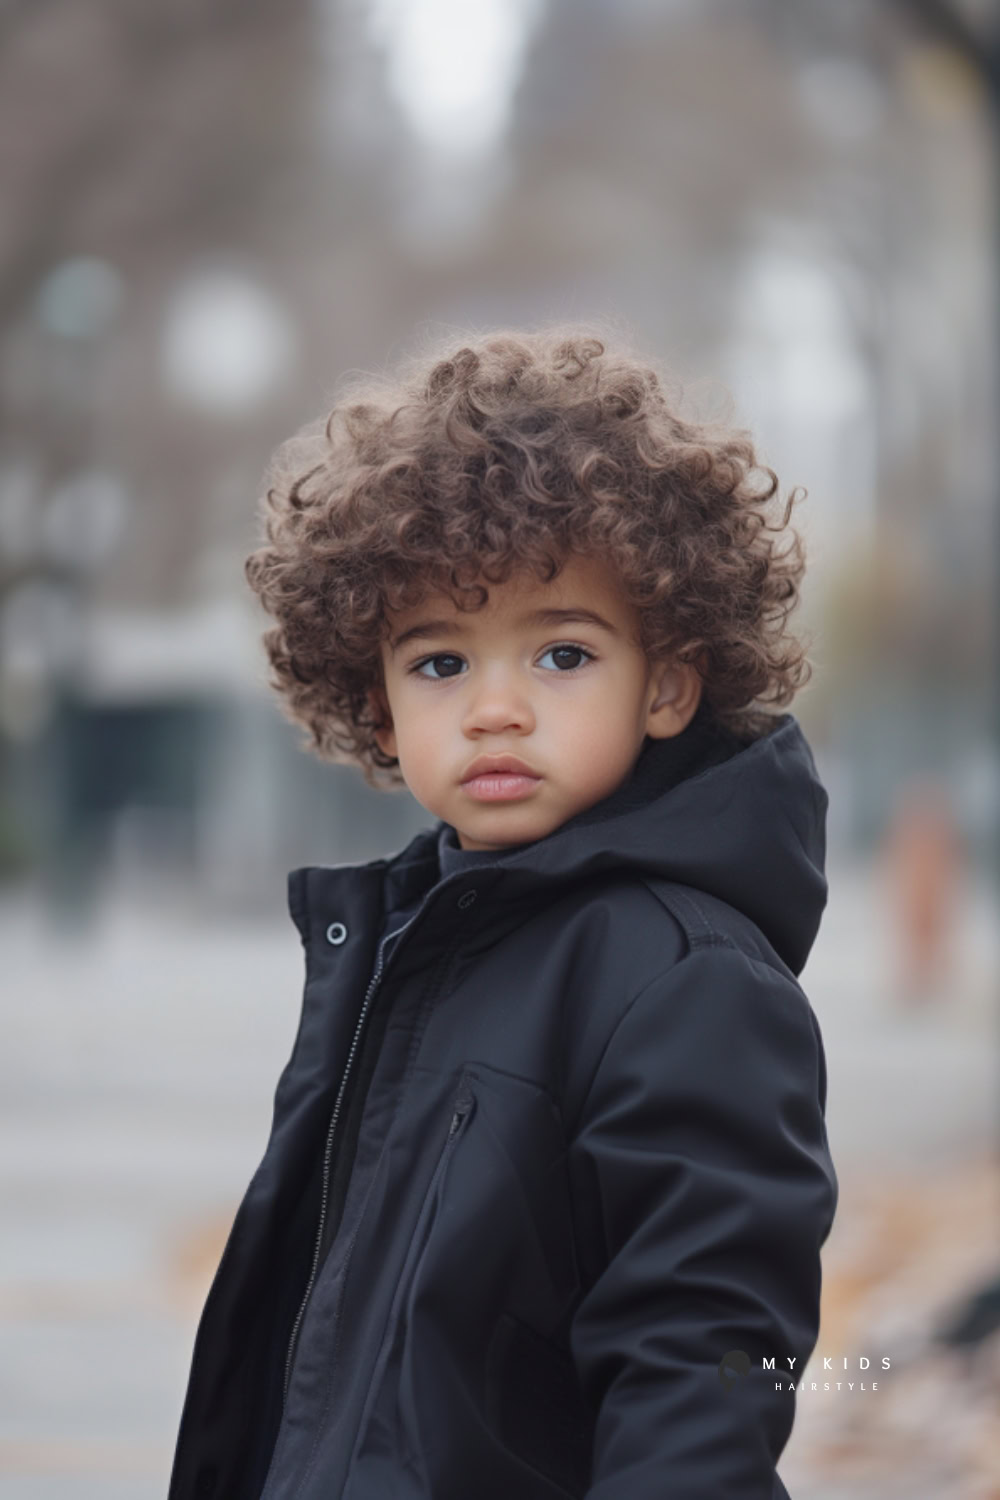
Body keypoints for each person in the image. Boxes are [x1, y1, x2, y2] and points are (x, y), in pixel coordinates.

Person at [167, 325, 839, 1500]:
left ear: (668, 682)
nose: (494, 710)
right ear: (375, 707)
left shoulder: (684, 978)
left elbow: (702, 1366)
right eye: (439, 665)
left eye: (562, 655)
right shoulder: (404, 946)